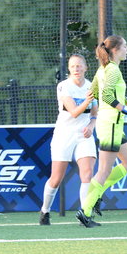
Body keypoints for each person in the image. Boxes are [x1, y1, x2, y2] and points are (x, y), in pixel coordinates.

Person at [76, 35, 127, 228]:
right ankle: (85, 211)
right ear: (115, 50)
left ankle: (95, 196)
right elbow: (106, 96)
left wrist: (126, 103)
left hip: (111, 123)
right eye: (125, 46)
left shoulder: (103, 69)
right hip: (111, 124)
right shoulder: (112, 69)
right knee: (104, 171)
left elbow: (94, 93)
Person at [39, 54, 98, 225]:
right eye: (72, 66)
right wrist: (87, 100)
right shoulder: (64, 86)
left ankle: (85, 215)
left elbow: (95, 112)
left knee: (87, 174)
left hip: (83, 135)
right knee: (56, 178)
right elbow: (74, 112)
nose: (76, 69)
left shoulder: (91, 86)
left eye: (79, 66)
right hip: (64, 134)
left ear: (86, 68)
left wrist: (91, 126)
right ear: (69, 69)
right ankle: (45, 211)